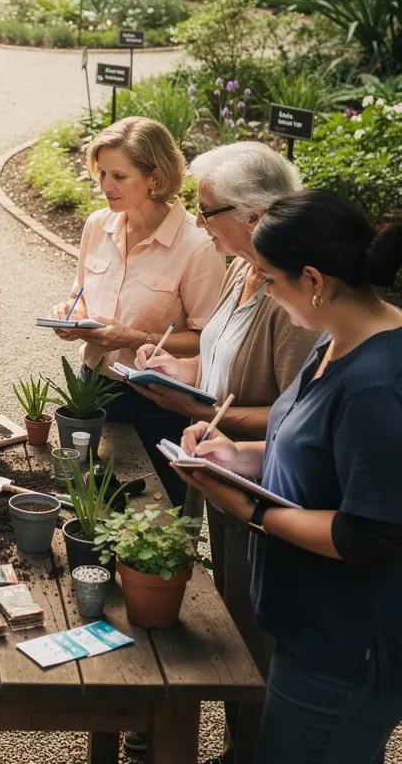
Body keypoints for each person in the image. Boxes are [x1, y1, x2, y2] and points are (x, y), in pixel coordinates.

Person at [175, 190, 402, 764]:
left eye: (269, 280)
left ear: (313, 279)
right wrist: (232, 454)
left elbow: (372, 535)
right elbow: (304, 450)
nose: (266, 294)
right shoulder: (334, 337)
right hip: (307, 633)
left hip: (347, 650)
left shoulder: (377, 383)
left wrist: (250, 510)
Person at [130, 142, 319, 764]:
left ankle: (254, 751)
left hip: (264, 486)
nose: (198, 221)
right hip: (223, 469)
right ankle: (243, 746)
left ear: (256, 215)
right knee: (238, 615)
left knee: (258, 631)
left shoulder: (290, 296)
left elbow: (297, 416)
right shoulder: (243, 267)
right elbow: (221, 362)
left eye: (207, 211)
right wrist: (178, 368)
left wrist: (198, 411)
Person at [53, 116, 226, 506]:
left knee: (157, 512)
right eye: (102, 174)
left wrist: (134, 338)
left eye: (119, 176)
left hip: (160, 402)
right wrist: (69, 314)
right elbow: (80, 293)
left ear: (156, 177)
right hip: (93, 384)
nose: (105, 186)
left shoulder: (196, 247)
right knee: (89, 503)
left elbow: (208, 341)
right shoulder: (98, 225)